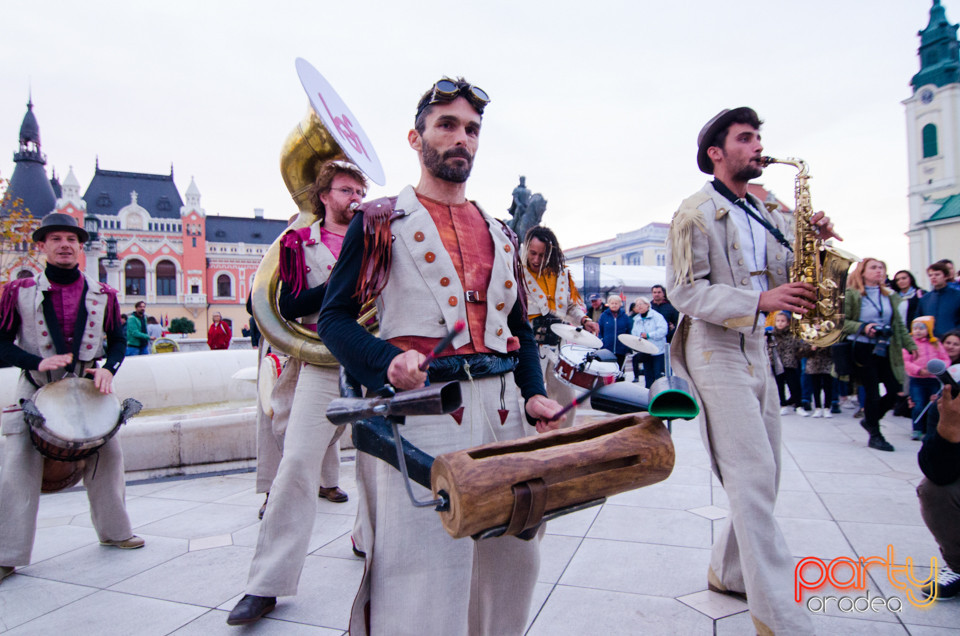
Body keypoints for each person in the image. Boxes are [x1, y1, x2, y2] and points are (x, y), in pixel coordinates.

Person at [317, 77, 562, 636]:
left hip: (504, 417)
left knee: (512, 556)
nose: (462, 139)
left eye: (472, 129)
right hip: (426, 413)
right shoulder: (379, 221)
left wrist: (535, 394)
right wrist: (384, 362)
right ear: (416, 137)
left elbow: (517, 328)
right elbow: (332, 319)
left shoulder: (502, 232)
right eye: (447, 125)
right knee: (425, 566)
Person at [665, 106, 840, 635]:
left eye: (759, 137)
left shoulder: (768, 213)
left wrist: (818, 241)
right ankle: (779, 615)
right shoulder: (693, 212)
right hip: (715, 350)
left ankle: (730, 571)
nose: (758, 147)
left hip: (759, 348)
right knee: (752, 475)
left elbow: (795, 276)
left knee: (767, 474)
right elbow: (684, 291)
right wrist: (760, 298)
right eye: (746, 138)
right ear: (716, 154)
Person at [227, 160, 363, 625]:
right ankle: (265, 583)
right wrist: (345, 284)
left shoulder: (380, 236)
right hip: (324, 359)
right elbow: (288, 304)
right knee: (299, 462)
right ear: (324, 196)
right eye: (346, 189)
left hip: (377, 358)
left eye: (360, 189)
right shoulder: (297, 244)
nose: (355, 197)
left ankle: (367, 540)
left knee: (382, 462)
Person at [0, 213, 144, 587]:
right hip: (35, 387)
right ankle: (5, 554)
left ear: (80, 247)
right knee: (17, 465)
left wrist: (109, 368)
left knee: (109, 458)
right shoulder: (18, 292)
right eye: (56, 239)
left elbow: (117, 339)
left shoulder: (104, 294)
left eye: (71, 240)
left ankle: (115, 531)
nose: (65, 245)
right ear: (42, 246)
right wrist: (36, 361)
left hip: (86, 386)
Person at [522, 225, 597, 427]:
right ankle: (530, 437)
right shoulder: (517, 272)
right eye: (533, 253)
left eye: (542, 255)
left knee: (565, 394)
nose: (536, 260)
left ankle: (563, 436)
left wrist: (584, 319)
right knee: (529, 393)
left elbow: (571, 304)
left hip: (558, 341)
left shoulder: (562, 274)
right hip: (530, 342)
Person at [843, 257, 915, 452]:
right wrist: (864, 327)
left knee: (896, 390)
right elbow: (841, 322)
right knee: (872, 392)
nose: (879, 271)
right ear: (862, 272)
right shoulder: (852, 294)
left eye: (882, 268)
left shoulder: (890, 295)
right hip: (862, 348)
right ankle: (875, 434)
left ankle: (870, 420)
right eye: (873, 267)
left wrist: (911, 345)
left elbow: (898, 324)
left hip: (886, 348)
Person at [917, 378, 960, 601]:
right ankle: (957, 566)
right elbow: (938, 473)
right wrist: (949, 431)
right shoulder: (950, 403)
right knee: (934, 489)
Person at [904, 317, 951, 440]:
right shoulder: (910, 343)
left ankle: (931, 429)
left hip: (933, 379)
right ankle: (917, 429)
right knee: (918, 404)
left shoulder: (935, 343)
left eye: (921, 328)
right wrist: (919, 370)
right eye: (915, 328)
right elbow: (906, 362)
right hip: (917, 380)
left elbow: (945, 359)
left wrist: (938, 369)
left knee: (933, 405)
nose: (918, 331)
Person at [767, 311, 802, 415]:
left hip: (789, 363)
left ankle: (798, 405)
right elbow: (767, 348)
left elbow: (798, 346)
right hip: (776, 363)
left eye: (783, 321)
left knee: (794, 384)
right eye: (778, 321)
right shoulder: (771, 335)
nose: (780, 323)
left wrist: (799, 354)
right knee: (779, 385)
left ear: (787, 323)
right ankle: (782, 404)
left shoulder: (792, 334)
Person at [629, 297, 667, 387]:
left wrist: (649, 335)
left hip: (658, 351)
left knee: (658, 375)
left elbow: (663, 330)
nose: (639, 307)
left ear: (647, 305)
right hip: (645, 351)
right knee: (648, 376)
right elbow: (634, 333)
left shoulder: (657, 316)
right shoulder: (636, 319)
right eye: (637, 305)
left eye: (641, 304)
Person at [918, 261, 960, 339]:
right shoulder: (925, 299)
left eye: (937, 274)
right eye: (930, 275)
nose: (933, 277)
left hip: (952, 341)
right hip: (930, 342)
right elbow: (919, 320)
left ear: (946, 276)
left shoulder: (957, 296)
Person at [798, 342, 834, 418]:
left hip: (827, 364)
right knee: (815, 387)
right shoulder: (810, 336)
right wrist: (811, 349)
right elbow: (802, 353)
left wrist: (826, 347)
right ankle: (818, 408)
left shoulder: (829, 334)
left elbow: (834, 352)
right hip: (814, 365)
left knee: (828, 387)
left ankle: (827, 408)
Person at [597, 294, 631, 370]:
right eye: (612, 303)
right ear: (608, 304)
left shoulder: (625, 316)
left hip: (621, 349)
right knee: (608, 371)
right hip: (607, 349)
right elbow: (600, 331)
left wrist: (627, 346)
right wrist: (601, 343)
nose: (614, 305)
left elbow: (628, 331)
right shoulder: (604, 316)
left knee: (620, 371)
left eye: (616, 303)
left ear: (620, 304)